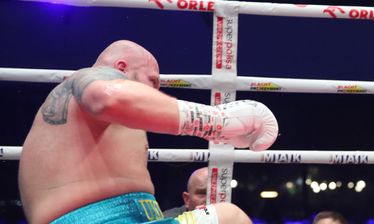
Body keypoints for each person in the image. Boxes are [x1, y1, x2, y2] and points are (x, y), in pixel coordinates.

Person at [18, 40, 279, 224]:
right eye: (153, 80)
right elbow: (106, 97)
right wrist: (215, 121)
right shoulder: (90, 78)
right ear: (121, 67)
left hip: (132, 217)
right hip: (93, 218)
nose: (155, 91)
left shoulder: (105, 126)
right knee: (227, 218)